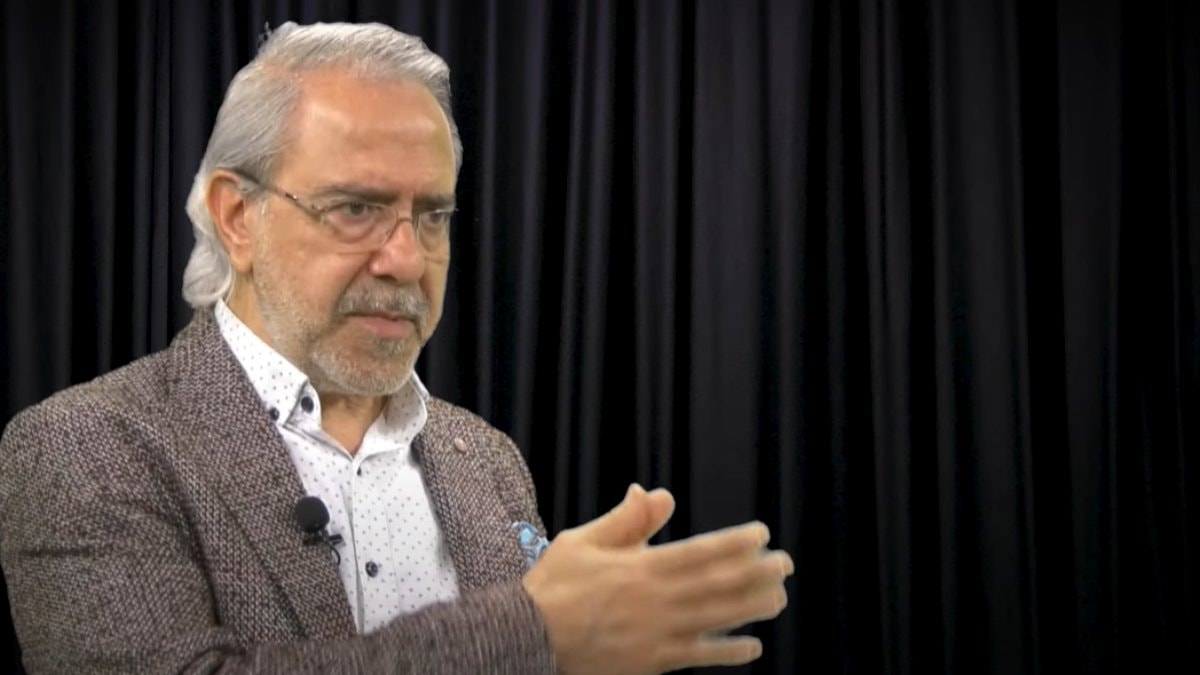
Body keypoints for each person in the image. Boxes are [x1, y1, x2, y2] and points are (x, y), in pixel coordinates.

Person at [0, 22, 793, 674]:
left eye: (434, 216)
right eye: (355, 209)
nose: (408, 259)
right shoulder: (84, 446)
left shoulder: (487, 459)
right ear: (238, 217)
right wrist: (537, 632)